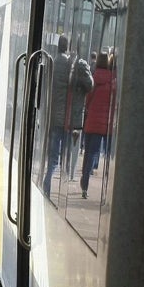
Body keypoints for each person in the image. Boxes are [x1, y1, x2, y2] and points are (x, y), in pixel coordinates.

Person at [43, 35, 93, 198]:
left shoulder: (53, 62)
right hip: (70, 120)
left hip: (54, 117)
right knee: (66, 155)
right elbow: (90, 85)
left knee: (53, 156)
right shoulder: (79, 64)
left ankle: (47, 183)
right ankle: (60, 188)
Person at [79, 52, 116, 199]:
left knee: (88, 153)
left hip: (91, 122)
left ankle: (85, 184)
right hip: (104, 125)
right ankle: (103, 191)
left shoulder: (93, 79)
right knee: (99, 154)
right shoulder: (113, 83)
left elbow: (87, 101)